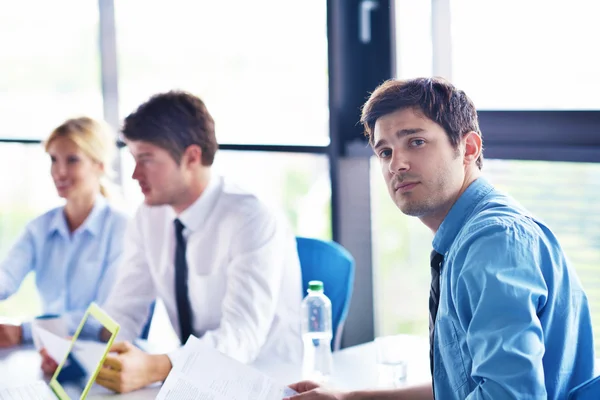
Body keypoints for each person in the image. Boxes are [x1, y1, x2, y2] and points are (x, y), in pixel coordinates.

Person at [286, 77, 595, 400]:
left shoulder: (493, 241)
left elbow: (509, 395)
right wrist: (350, 398)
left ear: (468, 148)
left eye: (416, 142)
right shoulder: (467, 235)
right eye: (385, 152)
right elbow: (463, 387)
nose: (397, 164)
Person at [59, 91, 302, 393]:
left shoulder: (251, 217)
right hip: (192, 383)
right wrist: (80, 353)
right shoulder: (150, 216)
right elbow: (125, 307)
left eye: (146, 160)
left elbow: (241, 337)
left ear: (191, 157)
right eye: (133, 159)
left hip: (265, 381)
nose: (134, 174)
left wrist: (157, 366)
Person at [0, 117, 128, 348]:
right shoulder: (39, 228)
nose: (59, 172)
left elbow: (104, 321)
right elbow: (7, 276)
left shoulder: (122, 229)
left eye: (72, 160)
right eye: (54, 160)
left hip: (101, 357)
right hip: (49, 353)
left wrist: (24, 331)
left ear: (99, 165)